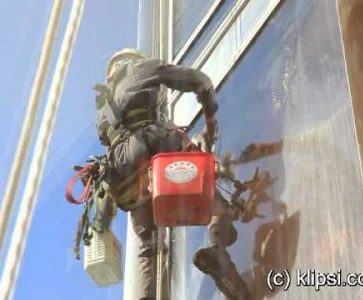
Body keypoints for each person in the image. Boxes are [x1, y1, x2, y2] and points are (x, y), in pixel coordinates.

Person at [91, 48, 250, 300]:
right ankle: (217, 249)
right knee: (209, 195)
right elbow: (200, 81)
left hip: (125, 176)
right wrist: (210, 117)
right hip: (154, 146)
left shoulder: (102, 110)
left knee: (148, 248)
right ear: (133, 61)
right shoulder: (142, 68)